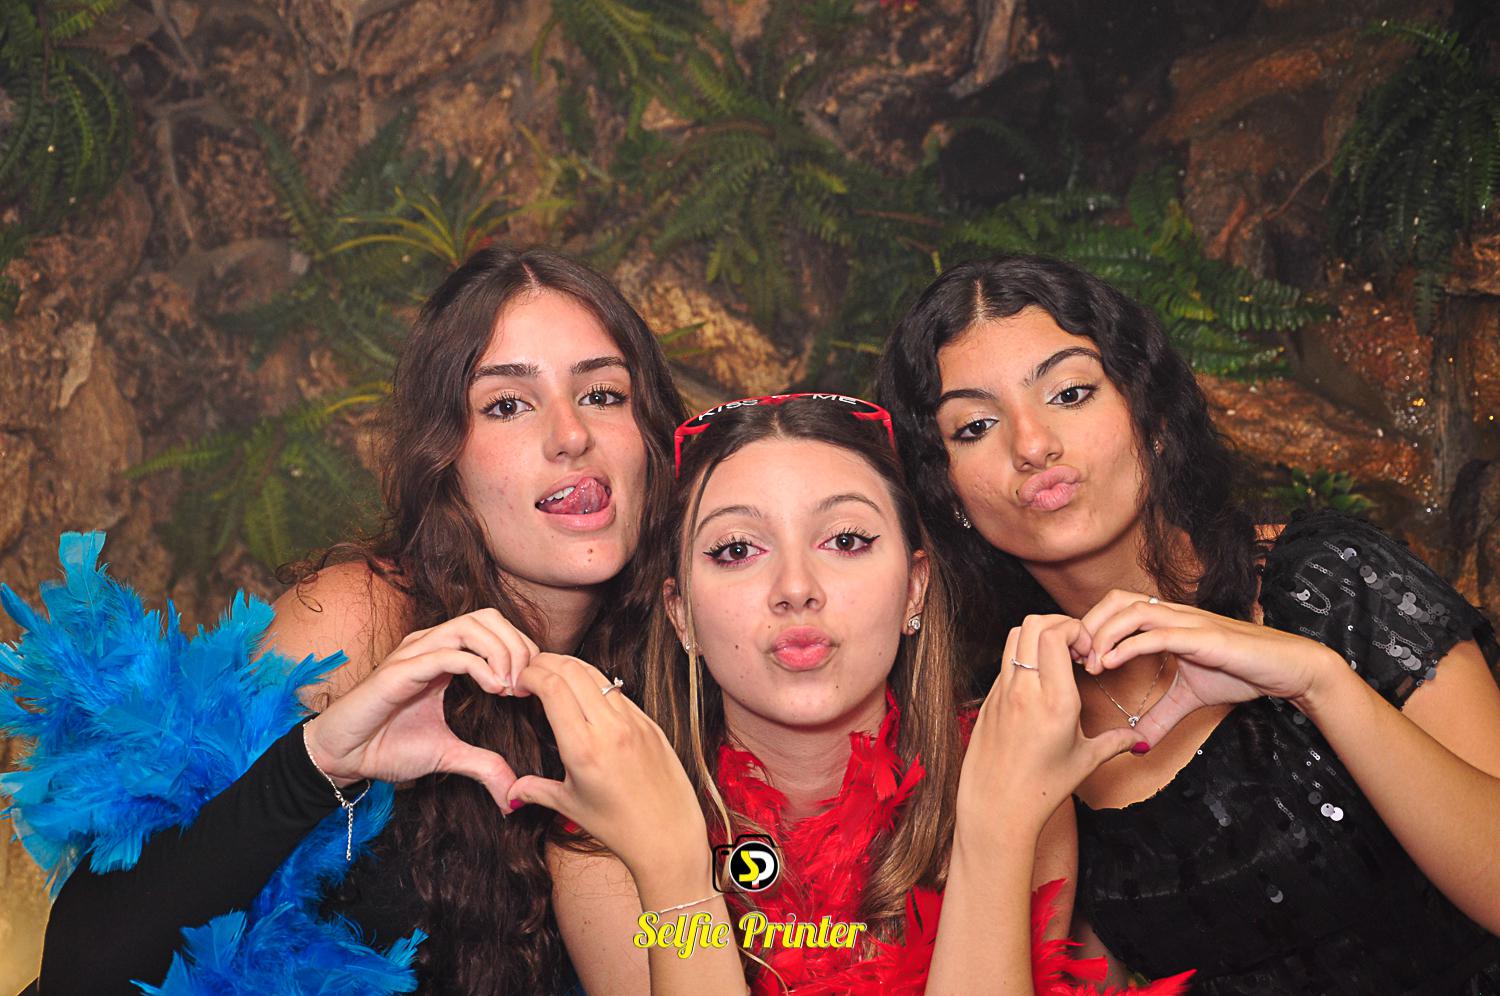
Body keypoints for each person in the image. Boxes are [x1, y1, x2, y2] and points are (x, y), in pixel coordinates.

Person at [30, 245, 687, 994]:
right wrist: (317, 763)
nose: (570, 434)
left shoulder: (685, 653)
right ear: (446, 461)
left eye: (602, 394)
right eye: (507, 404)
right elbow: (84, 969)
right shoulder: (363, 621)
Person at [876, 253, 1500, 993]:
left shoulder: (1330, 579)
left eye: (1070, 393)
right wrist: (999, 819)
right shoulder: (1014, 718)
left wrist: (1318, 681)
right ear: (947, 492)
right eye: (975, 426)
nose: (1033, 444)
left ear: (1154, 417)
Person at [499, 395, 1190, 994]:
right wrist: (674, 868)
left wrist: (996, 827)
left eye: (847, 540)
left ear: (914, 588)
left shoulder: (1013, 769)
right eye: (737, 549)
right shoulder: (602, 843)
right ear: (682, 617)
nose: (796, 588)